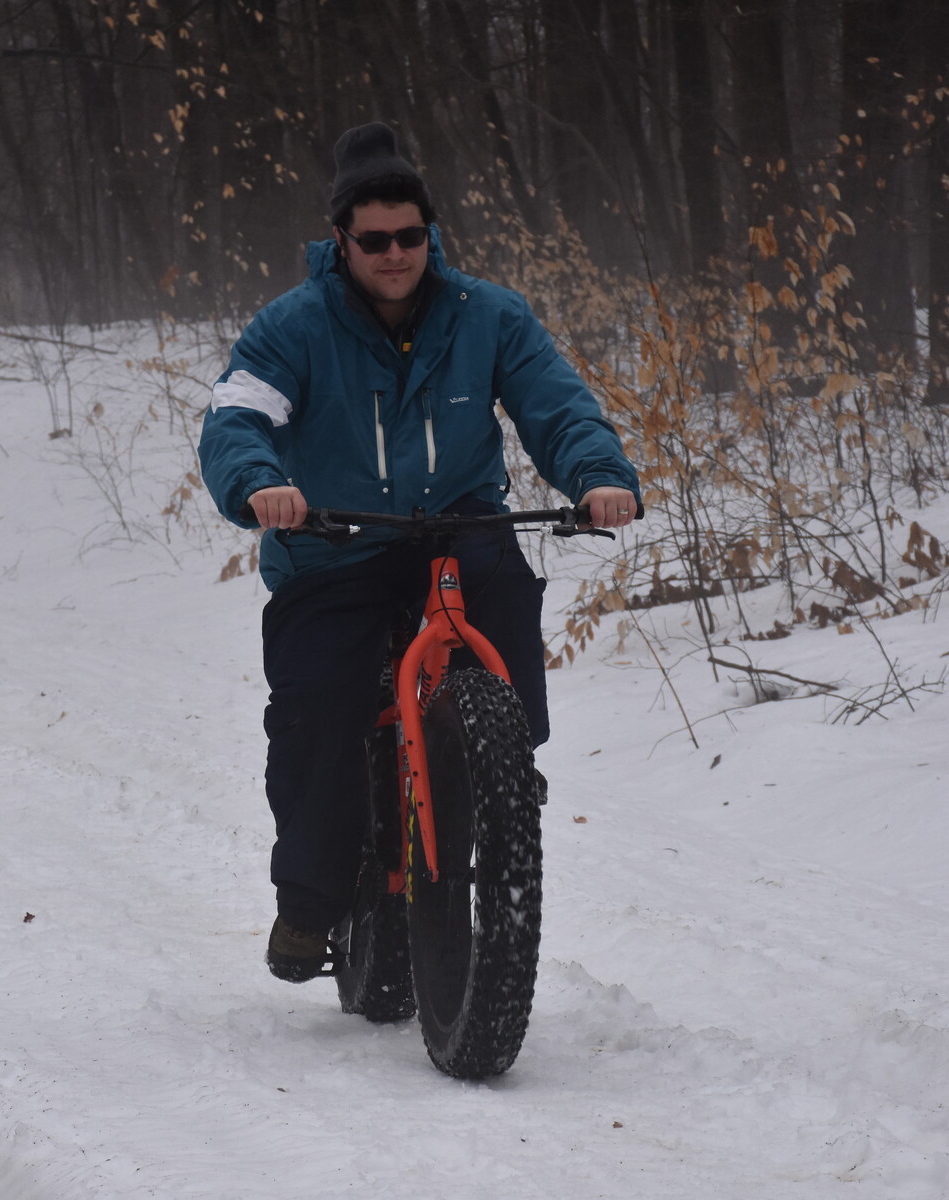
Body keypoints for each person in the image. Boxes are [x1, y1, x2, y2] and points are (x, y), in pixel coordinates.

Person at [199, 122, 641, 983]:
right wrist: (259, 483)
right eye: (374, 240)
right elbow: (237, 417)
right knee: (316, 706)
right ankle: (311, 900)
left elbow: (557, 406)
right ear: (342, 241)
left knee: (504, 598)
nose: (394, 253)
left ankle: (506, 775)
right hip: (334, 542)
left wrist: (597, 474)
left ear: (429, 234)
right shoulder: (290, 326)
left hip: (455, 526)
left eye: (410, 236)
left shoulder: (490, 315)